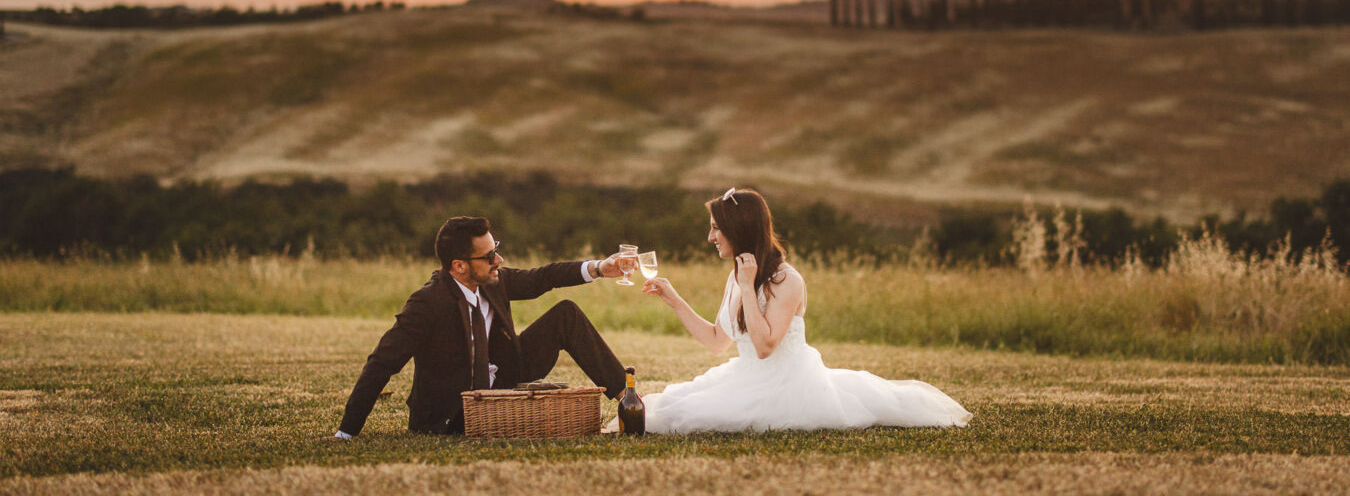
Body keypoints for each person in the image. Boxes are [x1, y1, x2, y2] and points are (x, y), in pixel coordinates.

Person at [636, 188, 972, 433]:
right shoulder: (737, 275)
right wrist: (674, 299)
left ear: (739, 229)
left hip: (787, 386)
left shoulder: (786, 280)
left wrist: (750, 286)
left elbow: (766, 347)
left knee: (693, 416)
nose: (710, 237)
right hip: (747, 375)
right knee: (668, 404)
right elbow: (715, 342)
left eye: (715, 227)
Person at [334, 215, 630, 437]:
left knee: (567, 314)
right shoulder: (428, 303)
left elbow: (543, 277)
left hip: (503, 380)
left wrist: (599, 268)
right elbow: (381, 363)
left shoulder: (493, 281)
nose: (498, 260)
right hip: (452, 410)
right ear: (459, 266)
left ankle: (630, 404)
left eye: (496, 249)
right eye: (489, 256)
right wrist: (346, 432)